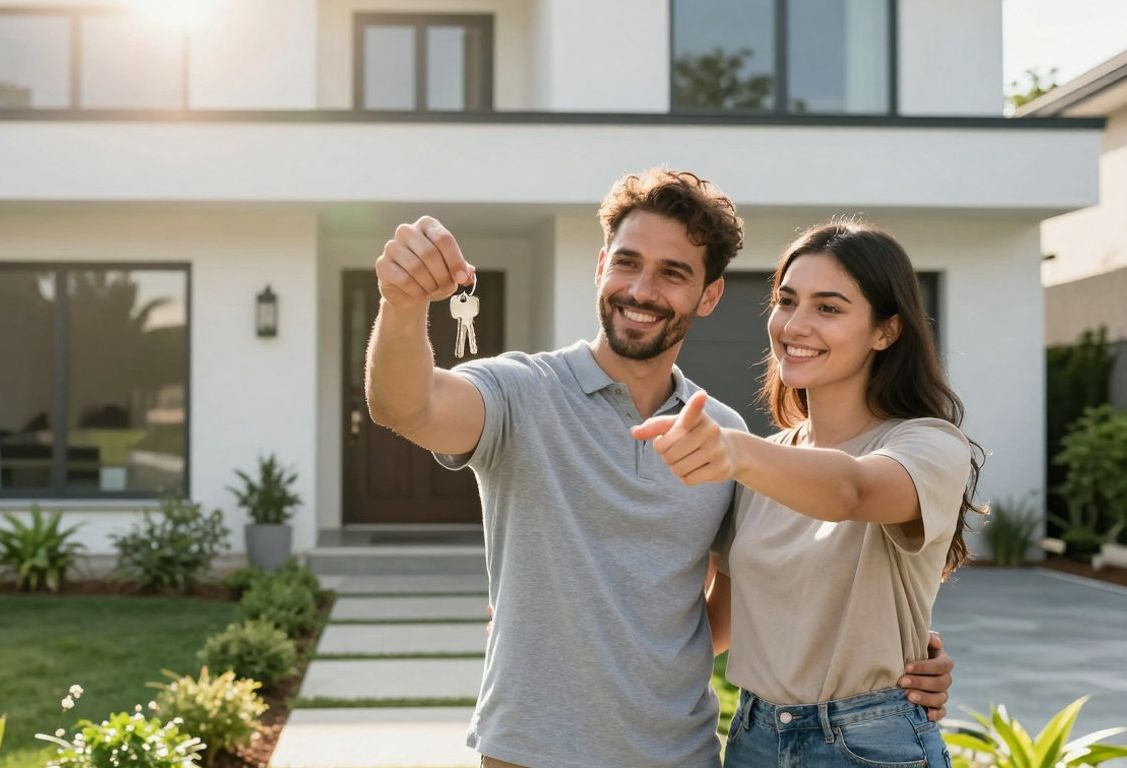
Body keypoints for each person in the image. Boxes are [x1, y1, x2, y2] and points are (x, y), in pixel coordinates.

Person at [366, 169, 953, 768]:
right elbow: (405, 406)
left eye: (673, 273)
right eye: (627, 263)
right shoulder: (520, 390)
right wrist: (403, 303)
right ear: (600, 266)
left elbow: (744, 595)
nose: (642, 290)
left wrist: (891, 671)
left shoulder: (725, 437)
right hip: (533, 749)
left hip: (682, 752)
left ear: (709, 296)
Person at [633, 221, 981, 767]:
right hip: (753, 737)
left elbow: (854, 490)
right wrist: (570, 624)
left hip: (869, 742)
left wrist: (737, 453)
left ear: (885, 331)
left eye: (829, 308)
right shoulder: (764, 463)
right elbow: (716, 626)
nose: (794, 325)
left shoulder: (929, 444)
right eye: (787, 301)